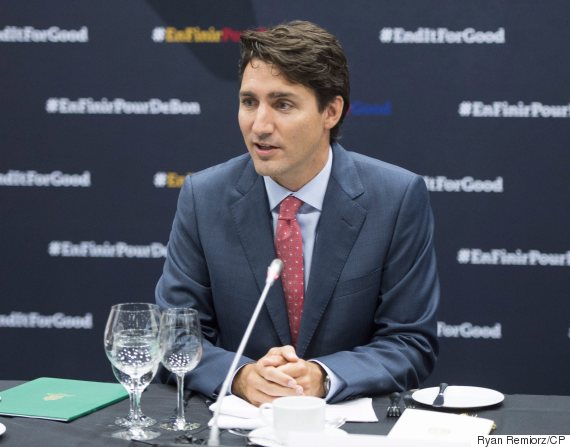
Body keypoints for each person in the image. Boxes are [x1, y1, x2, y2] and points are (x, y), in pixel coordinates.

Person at [155, 20, 439, 405]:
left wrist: (322, 376)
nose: (259, 125)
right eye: (249, 102)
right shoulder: (203, 196)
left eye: (283, 104)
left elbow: (410, 341)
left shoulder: (396, 197)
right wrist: (240, 377)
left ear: (331, 111)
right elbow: (176, 337)